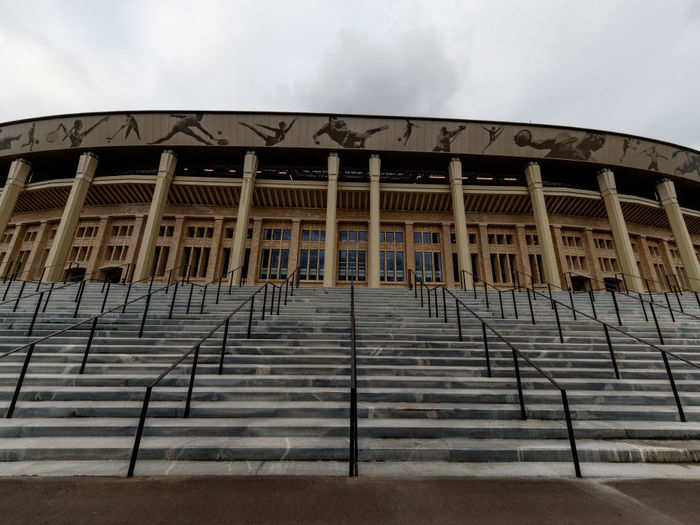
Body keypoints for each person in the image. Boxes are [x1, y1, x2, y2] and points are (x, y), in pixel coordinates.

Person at [514, 129, 605, 160]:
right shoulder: (567, 138)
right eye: (601, 139)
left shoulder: (589, 159)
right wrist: (528, 141)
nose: (601, 145)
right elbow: (543, 144)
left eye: (602, 141)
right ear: (590, 135)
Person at [313, 116, 387, 148]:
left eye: (335, 123)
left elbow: (346, 129)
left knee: (363, 135)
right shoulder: (325, 127)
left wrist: (339, 130)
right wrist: (316, 140)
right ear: (330, 121)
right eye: (332, 122)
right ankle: (361, 145)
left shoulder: (340, 122)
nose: (333, 125)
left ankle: (377, 130)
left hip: (349, 135)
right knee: (358, 147)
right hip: (343, 142)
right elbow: (315, 135)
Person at [150, 113, 215, 145]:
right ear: (199, 116)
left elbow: (181, 116)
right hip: (181, 126)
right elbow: (203, 130)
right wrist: (210, 135)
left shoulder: (191, 116)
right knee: (195, 135)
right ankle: (207, 143)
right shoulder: (195, 121)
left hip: (176, 125)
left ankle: (154, 143)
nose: (201, 119)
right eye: (201, 117)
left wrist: (174, 115)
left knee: (167, 137)